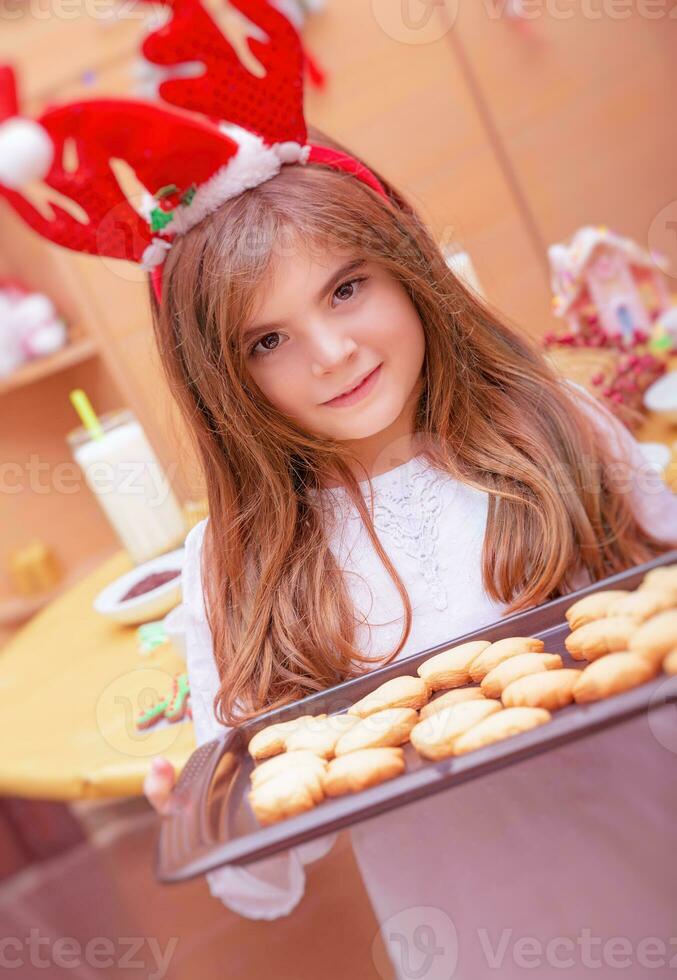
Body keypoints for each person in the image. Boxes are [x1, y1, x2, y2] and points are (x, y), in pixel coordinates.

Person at [142, 126, 677, 978]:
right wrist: (198, 812)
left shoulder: (554, 425)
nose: (332, 353)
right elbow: (261, 879)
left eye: (346, 289)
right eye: (267, 340)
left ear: (408, 270)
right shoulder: (234, 563)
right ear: (223, 380)